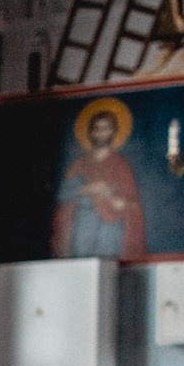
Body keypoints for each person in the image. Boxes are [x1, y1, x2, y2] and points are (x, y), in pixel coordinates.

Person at [52, 98, 146, 257]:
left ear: (113, 131)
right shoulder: (79, 165)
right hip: (84, 225)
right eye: (97, 128)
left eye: (106, 128)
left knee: (108, 268)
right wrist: (88, 188)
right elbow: (64, 195)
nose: (101, 132)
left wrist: (119, 202)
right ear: (91, 132)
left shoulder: (121, 165)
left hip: (110, 227)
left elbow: (132, 202)